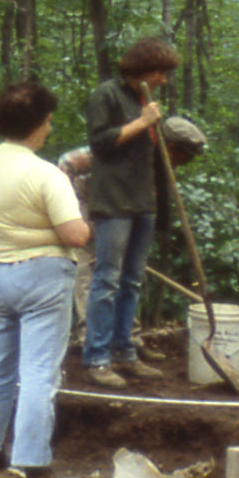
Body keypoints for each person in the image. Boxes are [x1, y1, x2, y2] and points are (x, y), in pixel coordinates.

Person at [0, 83, 90, 478]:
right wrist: (89, 227)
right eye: (48, 122)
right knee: (39, 371)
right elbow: (73, 234)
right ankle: (34, 465)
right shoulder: (45, 173)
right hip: (43, 274)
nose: (50, 129)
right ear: (37, 125)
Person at [82, 35, 182, 389]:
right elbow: (100, 143)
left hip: (144, 202)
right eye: (160, 72)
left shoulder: (145, 99)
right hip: (114, 202)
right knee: (107, 280)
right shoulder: (106, 95)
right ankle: (97, 358)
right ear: (143, 69)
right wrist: (141, 122)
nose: (163, 80)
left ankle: (125, 352)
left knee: (132, 281)